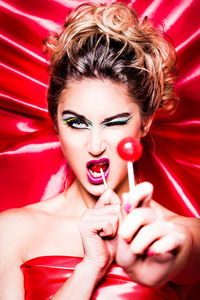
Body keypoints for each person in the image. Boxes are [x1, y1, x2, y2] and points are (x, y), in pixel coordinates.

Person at [0, 2, 199, 299]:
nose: (95, 147)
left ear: (145, 123)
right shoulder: (12, 231)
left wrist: (173, 253)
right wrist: (91, 266)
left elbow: (188, 252)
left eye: (114, 123)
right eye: (77, 123)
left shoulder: (180, 233)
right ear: (55, 121)